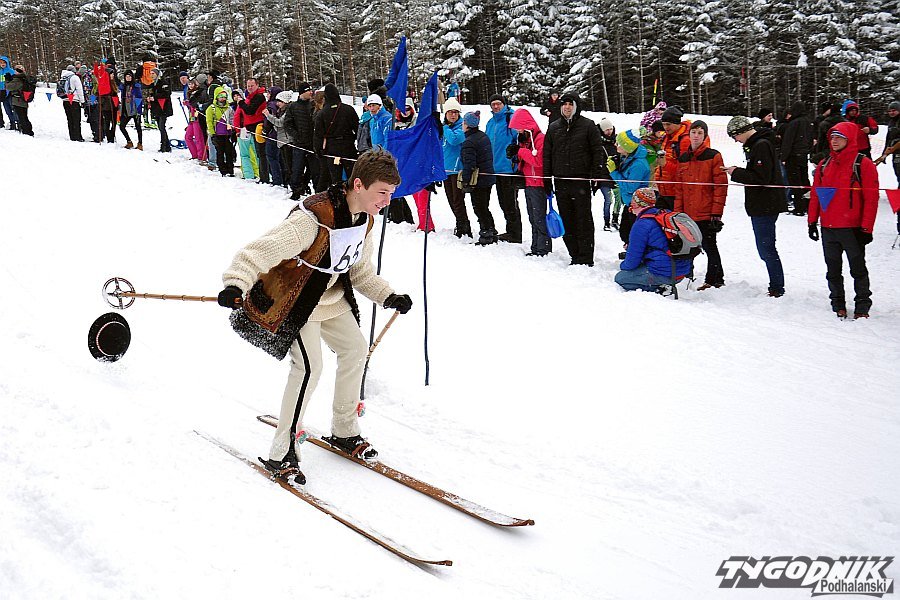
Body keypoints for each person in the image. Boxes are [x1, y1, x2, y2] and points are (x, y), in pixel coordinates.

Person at [216, 148, 412, 483]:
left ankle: (345, 429)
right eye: (382, 192)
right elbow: (260, 250)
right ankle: (283, 451)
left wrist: (388, 295)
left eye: (391, 193)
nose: (386, 201)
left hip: (331, 300)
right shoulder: (314, 217)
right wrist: (236, 283)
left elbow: (360, 272)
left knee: (355, 349)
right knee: (308, 368)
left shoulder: (364, 221)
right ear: (359, 185)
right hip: (298, 303)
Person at [807, 122, 879, 319]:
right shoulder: (824, 164)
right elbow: (816, 195)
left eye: (839, 137)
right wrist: (812, 221)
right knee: (833, 270)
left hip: (852, 228)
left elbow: (871, 200)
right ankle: (838, 303)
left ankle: (862, 306)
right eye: (832, 137)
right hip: (828, 228)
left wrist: (866, 228)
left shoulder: (862, 164)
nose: (834, 140)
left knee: (858, 269)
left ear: (850, 139)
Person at [723, 115, 787, 297]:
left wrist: (736, 172)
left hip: (765, 205)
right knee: (765, 248)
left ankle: (777, 287)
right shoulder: (757, 144)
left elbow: (761, 178)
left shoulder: (761, 145)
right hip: (762, 204)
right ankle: (776, 285)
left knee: (766, 248)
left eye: (734, 136)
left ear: (741, 131)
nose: (735, 140)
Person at [542, 91, 603, 266]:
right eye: (565, 104)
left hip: (580, 180)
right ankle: (574, 254)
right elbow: (547, 154)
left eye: (571, 104)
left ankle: (585, 256)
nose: (567, 107)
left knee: (583, 219)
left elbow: (597, 151)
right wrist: (546, 178)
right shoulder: (554, 127)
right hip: (560, 180)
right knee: (567, 219)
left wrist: (596, 175)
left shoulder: (588, 125)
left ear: (576, 107)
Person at [674, 120, 727, 290]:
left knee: (709, 247)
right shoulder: (683, 158)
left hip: (706, 212)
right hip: (687, 213)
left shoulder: (713, 156)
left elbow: (720, 187)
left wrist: (716, 213)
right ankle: (686, 276)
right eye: (693, 132)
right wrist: (677, 213)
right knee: (686, 246)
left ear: (705, 136)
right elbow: (679, 189)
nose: (696, 136)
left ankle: (714, 279)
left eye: (700, 133)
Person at [614, 187, 692, 293]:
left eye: (632, 204)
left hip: (665, 273)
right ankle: (663, 283)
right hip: (681, 271)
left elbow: (632, 261)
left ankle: (660, 288)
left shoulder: (641, 224)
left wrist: (623, 265)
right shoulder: (665, 214)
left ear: (638, 204)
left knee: (621, 278)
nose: (631, 208)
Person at [509, 107, 550, 256]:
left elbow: (538, 161)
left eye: (519, 128)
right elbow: (525, 159)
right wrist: (515, 156)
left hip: (538, 184)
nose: (518, 132)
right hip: (528, 182)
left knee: (539, 217)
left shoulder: (540, 139)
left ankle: (543, 248)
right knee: (532, 217)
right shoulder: (525, 141)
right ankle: (536, 246)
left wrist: (520, 151)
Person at [485, 94, 523, 243]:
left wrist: (516, 154)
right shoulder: (490, 123)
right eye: (493, 104)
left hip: (509, 168)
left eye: (498, 104)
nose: (496, 106)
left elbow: (521, 139)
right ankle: (510, 231)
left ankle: (515, 233)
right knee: (503, 202)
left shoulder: (511, 119)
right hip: (495, 169)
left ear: (504, 104)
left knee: (510, 202)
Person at [460, 110, 498, 245]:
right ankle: (491, 230)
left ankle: (486, 233)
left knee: (479, 208)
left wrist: (465, 181)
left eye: (464, 123)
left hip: (479, 181)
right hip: (488, 178)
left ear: (467, 125)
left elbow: (469, 164)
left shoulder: (469, 142)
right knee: (484, 207)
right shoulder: (483, 136)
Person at [609, 128, 651, 246]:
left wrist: (613, 172)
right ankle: (630, 249)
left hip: (638, 206)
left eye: (619, 143)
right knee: (625, 232)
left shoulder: (639, 165)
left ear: (627, 148)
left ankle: (635, 252)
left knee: (634, 235)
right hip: (629, 203)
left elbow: (630, 187)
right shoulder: (627, 157)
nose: (616, 145)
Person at [313, 83, 358, 184]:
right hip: (348, 147)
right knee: (352, 177)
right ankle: (353, 193)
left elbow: (318, 135)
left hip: (332, 149)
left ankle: (337, 192)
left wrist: (318, 150)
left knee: (335, 179)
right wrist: (352, 139)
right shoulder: (348, 109)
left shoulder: (322, 113)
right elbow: (357, 128)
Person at [779, 101, 815, 216]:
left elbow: (788, 141)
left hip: (793, 156)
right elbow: (811, 139)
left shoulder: (794, 123)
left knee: (795, 182)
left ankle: (799, 207)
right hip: (803, 155)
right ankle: (808, 205)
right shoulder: (808, 122)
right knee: (804, 180)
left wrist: (783, 157)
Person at [441, 97, 470, 237]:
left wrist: (445, 128)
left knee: (458, 201)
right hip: (446, 169)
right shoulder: (445, 128)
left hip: (458, 169)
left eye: (456, 112)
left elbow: (454, 140)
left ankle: (464, 227)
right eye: (450, 112)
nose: (453, 115)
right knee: (451, 200)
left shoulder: (461, 126)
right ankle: (461, 223)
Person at [656, 105, 691, 210]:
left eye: (668, 124)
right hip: (664, 190)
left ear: (677, 123)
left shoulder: (685, 140)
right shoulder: (668, 137)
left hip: (676, 193)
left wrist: (665, 164)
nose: (666, 127)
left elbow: (686, 170)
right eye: (664, 124)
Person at [238, 78, 269, 183]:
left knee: (261, 154)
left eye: (252, 86)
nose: (250, 88)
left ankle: (265, 177)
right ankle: (262, 176)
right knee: (257, 153)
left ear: (257, 85)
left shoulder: (259, 97)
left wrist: (241, 103)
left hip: (258, 127)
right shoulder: (251, 97)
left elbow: (250, 111)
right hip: (251, 128)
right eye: (248, 86)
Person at [262, 89, 291, 187]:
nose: (267, 95)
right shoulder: (280, 109)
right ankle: (283, 180)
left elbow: (278, 123)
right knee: (281, 159)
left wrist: (266, 130)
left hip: (278, 137)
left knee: (272, 158)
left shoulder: (272, 106)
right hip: (279, 137)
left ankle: (278, 180)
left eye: (269, 93)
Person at [206, 86, 236, 176]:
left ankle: (230, 169)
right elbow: (209, 121)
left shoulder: (229, 108)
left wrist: (233, 130)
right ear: (216, 97)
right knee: (220, 152)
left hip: (227, 134)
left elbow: (232, 119)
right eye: (221, 96)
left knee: (229, 152)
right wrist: (212, 134)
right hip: (218, 134)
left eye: (224, 96)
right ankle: (222, 170)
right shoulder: (211, 108)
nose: (223, 98)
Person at [596, 117, 618, 231]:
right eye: (606, 130)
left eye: (610, 129)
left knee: (618, 199)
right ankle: (606, 222)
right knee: (608, 200)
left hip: (616, 175)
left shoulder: (617, 141)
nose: (609, 132)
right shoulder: (599, 144)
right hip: (604, 177)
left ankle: (615, 219)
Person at [232, 90, 260, 179]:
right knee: (257, 153)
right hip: (254, 130)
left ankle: (248, 174)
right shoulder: (257, 104)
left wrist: (237, 130)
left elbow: (236, 118)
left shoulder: (242, 105)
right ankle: (260, 172)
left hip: (243, 131)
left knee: (245, 155)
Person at [146, 68, 173, 152]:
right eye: (151, 73)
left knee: (162, 126)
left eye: (153, 73)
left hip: (163, 108)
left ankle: (164, 146)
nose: (152, 75)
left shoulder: (163, 82)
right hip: (157, 108)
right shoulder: (153, 84)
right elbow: (152, 93)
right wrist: (150, 98)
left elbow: (167, 93)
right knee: (161, 127)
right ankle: (167, 146)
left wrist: (155, 97)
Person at [4, 65, 34, 136]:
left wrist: (7, 80)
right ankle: (27, 130)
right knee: (24, 116)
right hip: (24, 100)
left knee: (22, 117)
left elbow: (8, 87)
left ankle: (27, 132)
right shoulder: (24, 78)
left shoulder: (18, 79)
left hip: (18, 101)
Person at [875, 100, 900, 187]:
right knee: (897, 171)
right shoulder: (891, 122)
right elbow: (889, 138)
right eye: (890, 111)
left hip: (897, 149)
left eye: (894, 110)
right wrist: (884, 154)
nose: (891, 113)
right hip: (895, 152)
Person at [118, 70, 143, 149]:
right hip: (126, 110)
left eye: (129, 76)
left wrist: (138, 109)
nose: (128, 78)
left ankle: (140, 143)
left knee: (138, 127)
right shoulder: (123, 86)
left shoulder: (136, 86)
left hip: (135, 109)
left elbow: (139, 97)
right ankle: (129, 141)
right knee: (122, 126)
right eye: (126, 76)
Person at [60, 64, 85, 142]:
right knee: (76, 119)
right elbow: (79, 89)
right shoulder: (75, 77)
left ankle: (72, 136)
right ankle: (78, 136)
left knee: (69, 119)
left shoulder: (62, 77)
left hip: (65, 100)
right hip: (74, 100)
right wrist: (82, 101)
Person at [0, 55, 18, 130]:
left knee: (13, 109)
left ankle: (17, 123)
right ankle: (12, 123)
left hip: (10, 93)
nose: (2, 64)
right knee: (7, 110)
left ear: (7, 63)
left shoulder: (11, 71)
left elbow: (15, 82)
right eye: (1, 63)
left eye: (4, 62)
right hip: (2, 93)